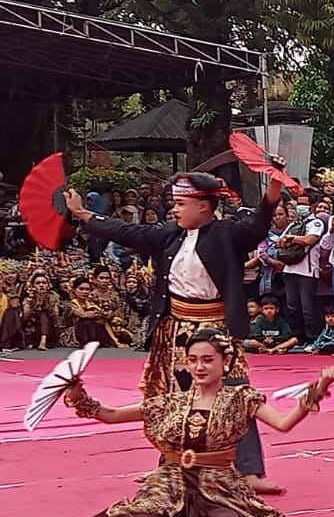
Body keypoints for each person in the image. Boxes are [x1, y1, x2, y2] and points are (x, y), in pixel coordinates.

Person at [64, 168, 285, 491]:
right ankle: (171, 464)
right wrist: (84, 214)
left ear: (204, 206)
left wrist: (275, 181)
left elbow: (259, 221)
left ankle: (250, 471)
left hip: (215, 329)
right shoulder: (169, 234)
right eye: (175, 203)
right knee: (170, 398)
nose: (175, 209)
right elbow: (128, 232)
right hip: (175, 327)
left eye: (182, 203)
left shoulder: (229, 233)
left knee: (236, 395)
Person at [27, 330, 334, 517]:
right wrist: (78, 394)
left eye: (207, 359)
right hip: (169, 482)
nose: (199, 366)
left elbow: (283, 424)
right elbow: (110, 414)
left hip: (219, 486)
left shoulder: (242, 399)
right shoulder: (170, 402)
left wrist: (318, 389)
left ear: (225, 361)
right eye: (193, 360)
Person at [280, 201, 327, 344]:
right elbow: (279, 242)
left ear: (312, 207)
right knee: (292, 307)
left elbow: (309, 240)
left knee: (308, 310)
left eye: (304, 204)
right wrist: (289, 240)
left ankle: (312, 339)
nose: (301, 207)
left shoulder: (316, 223)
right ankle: (298, 338)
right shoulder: (293, 224)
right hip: (289, 270)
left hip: (307, 272)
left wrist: (292, 239)